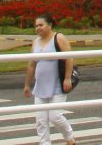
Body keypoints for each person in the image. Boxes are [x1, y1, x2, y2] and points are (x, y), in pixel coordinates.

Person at [23, 12, 76, 144]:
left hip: (57, 85)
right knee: (41, 120)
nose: (38, 28)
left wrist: (67, 78)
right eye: (36, 26)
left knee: (55, 116)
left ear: (50, 25)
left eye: (41, 25)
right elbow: (31, 64)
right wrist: (27, 85)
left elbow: (69, 58)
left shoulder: (58, 38)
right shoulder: (35, 42)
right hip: (40, 86)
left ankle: (70, 138)